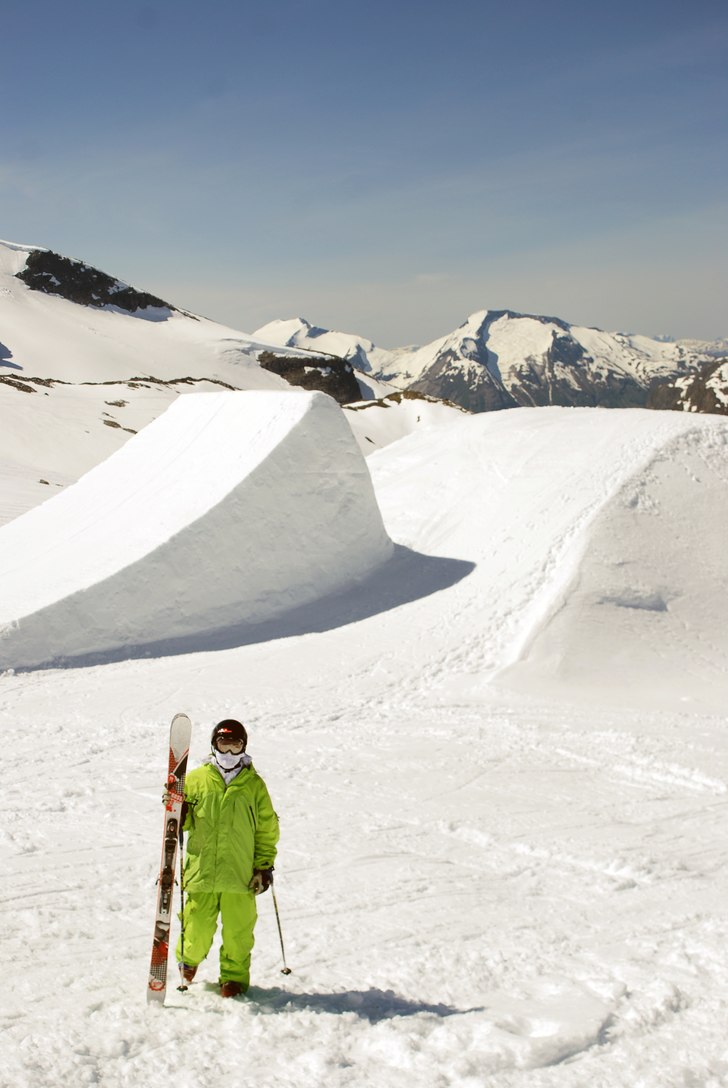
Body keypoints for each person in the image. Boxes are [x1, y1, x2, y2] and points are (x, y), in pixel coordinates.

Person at [176, 718, 279, 997]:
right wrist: (176, 809)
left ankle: (232, 978)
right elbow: (180, 823)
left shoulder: (254, 785)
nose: (229, 753)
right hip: (202, 871)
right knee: (196, 928)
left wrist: (264, 865)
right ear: (213, 745)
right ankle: (189, 959)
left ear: (244, 747)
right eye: (224, 745)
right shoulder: (196, 780)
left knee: (238, 933)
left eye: (236, 746)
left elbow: (267, 828)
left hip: (240, 874)